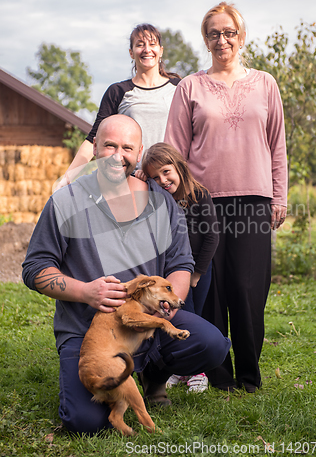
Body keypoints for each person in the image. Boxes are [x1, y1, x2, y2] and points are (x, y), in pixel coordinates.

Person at [22, 114, 231, 435]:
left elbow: (181, 264)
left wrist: (170, 304)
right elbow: (35, 268)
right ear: (94, 148)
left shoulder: (162, 203)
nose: (118, 155)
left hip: (147, 321)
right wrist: (84, 291)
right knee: (85, 423)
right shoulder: (65, 202)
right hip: (90, 333)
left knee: (212, 344)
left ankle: (153, 375)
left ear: (139, 152)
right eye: (109, 146)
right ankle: (104, 380)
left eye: (127, 147)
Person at [164, 1, 288, 394]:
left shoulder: (265, 83)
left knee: (249, 288)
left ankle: (249, 377)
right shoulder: (191, 87)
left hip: (253, 200)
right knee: (211, 289)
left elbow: (277, 145)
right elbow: (175, 149)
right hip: (204, 202)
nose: (223, 40)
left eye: (229, 32)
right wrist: (176, 201)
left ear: (242, 36)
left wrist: (279, 195)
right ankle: (219, 375)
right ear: (206, 39)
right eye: (215, 33)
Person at [55, 24, 181, 190]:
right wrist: (68, 177)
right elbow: (94, 137)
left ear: (161, 50)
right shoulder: (118, 92)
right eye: (140, 44)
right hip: (135, 180)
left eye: (152, 44)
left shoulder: (179, 87)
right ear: (131, 52)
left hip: (171, 180)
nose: (146, 49)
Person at [140, 142, 219, 393]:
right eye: (154, 177)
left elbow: (212, 237)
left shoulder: (198, 195)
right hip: (171, 273)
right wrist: (139, 177)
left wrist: (196, 273)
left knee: (193, 316)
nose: (162, 180)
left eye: (166, 172)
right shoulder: (157, 200)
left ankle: (198, 372)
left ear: (178, 166)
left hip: (196, 273)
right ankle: (180, 369)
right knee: (173, 313)